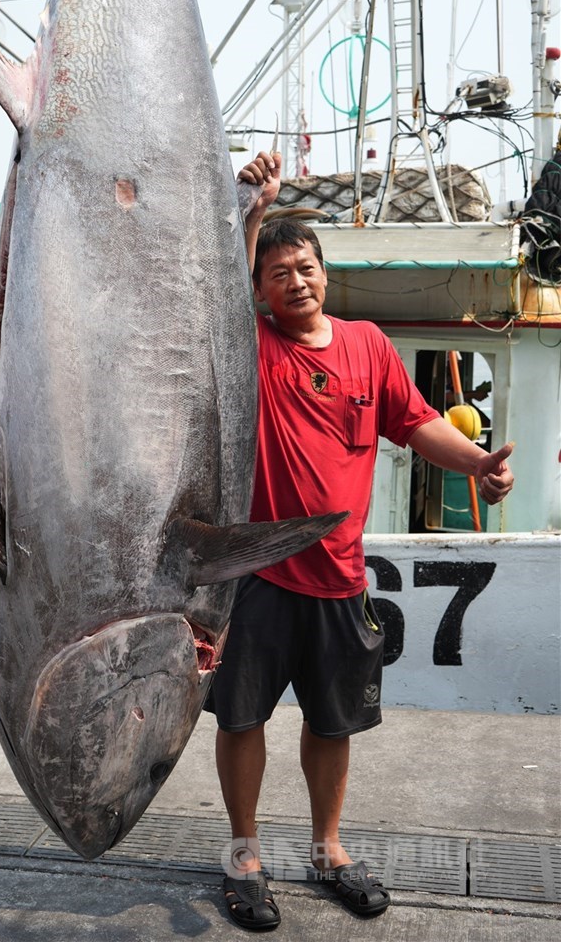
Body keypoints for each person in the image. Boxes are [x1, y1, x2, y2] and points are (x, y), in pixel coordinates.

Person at [208, 150, 515, 932]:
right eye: (277, 274)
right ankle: (244, 853)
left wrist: (478, 463)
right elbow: (216, 304)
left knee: (332, 723)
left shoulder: (368, 346)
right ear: (261, 289)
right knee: (241, 719)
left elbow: (415, 424)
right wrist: (254, 209)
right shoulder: (253, 349)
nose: (295, 282)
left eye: (305, 268)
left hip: (340, 578)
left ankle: (327, 849)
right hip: (258, 577)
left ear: (324, 273)